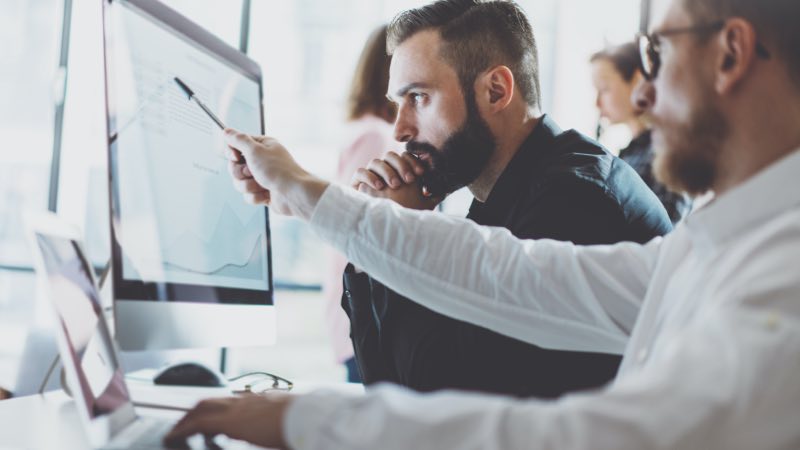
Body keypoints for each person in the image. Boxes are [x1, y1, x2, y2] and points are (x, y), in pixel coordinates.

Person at [166, 0, 800, 448]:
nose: (639, 96)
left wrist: (307, 423)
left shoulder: (580, 196)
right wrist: (313, 199)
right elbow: (508, 276)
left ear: (732, 53)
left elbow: (495, 407)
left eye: (657, 53)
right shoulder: (713, 244)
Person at [338, 2, 672, 399]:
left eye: (419, 98)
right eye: (399, 103)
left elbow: (447, 403)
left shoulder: (576, 201)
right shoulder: (499, 201)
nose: (401, 129)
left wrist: (404, 235)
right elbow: (384, 391)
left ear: (496, 91)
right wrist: (373, 246)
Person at [321, 24, 397, 383]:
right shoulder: (376, 136)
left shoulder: (366, 130)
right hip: (366, 312)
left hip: (356, 309)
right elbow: (357, 222)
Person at [590, 42, 691, 223]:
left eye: (604, 89)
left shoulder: (665, 155)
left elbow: (664, 232)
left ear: (637, 80)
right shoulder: (633, 153)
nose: (597, 103)